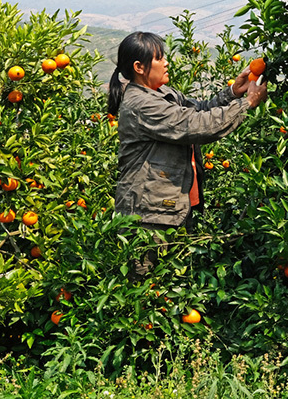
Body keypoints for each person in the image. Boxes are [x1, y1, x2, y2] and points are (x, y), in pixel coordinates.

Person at [107, 31, 267, 278]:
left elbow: (199, 110)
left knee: (177, 288)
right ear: (139, 67)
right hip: (148, 217)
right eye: (160, 58)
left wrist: (233, 92)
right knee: (148, 293)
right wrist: (246, 104)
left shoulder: (162, 93)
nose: (166, 62)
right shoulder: (141, 104)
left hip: (173, 210)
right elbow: (196, 126)